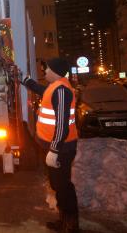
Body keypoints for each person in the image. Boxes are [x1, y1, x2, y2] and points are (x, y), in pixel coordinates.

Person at [18, 58, 79, 233]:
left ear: (56, 71)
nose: (44, 71)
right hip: (55, 147)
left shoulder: (61, 91)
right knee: (57, 185)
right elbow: (40, 90)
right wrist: (25, 79)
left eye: (47, 69)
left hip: (61, 149)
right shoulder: (54, 88)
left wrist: (54, 149)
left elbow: (62, 125)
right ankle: (64, 220)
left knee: (63, 186)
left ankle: (71, 225)